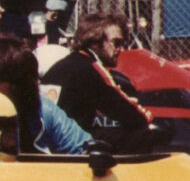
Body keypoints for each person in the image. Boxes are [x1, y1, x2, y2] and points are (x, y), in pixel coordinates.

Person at [41, 12, 152, 149]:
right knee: (146, 136)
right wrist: (148, 120)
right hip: (71, 149)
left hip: (48, 144)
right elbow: (128, 111)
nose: (121, 49)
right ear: (95, 41)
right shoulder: (90, 68)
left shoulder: (64, 65)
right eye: (116, 42)